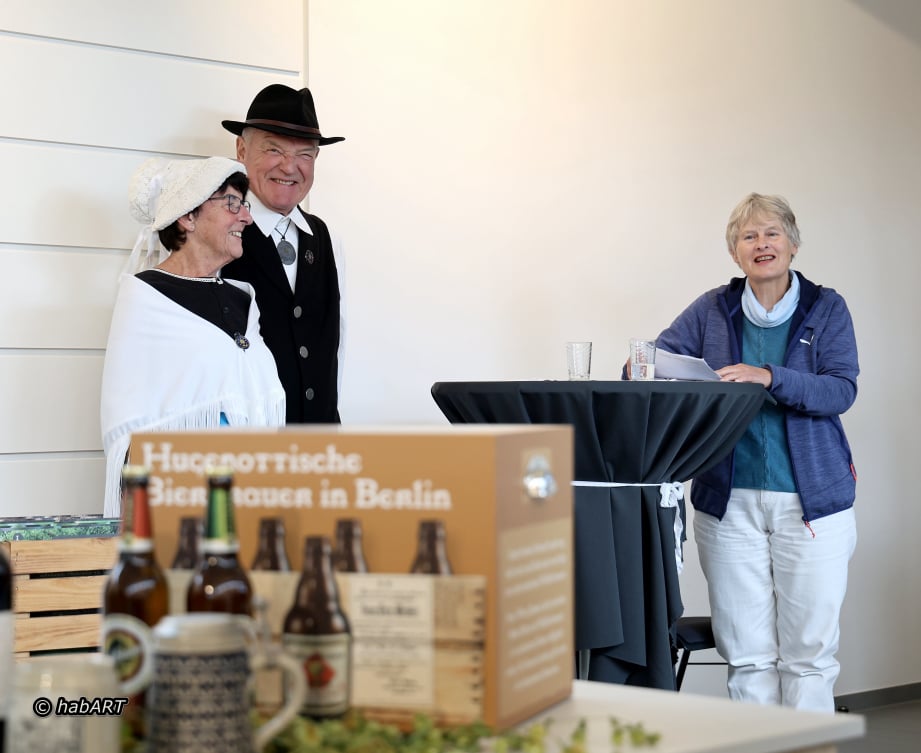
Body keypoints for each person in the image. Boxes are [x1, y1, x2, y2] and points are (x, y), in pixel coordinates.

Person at [640, 193, 859, 712]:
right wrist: (641, 366)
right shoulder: (712, 308)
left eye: (771, 233)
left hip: (813, 506)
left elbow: (840, 390)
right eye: (748, 237)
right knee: (747, 654)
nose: (761, 244)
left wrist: (768, 377)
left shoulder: (826, 308)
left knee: (808, 655)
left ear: (793, 244)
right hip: (728, 503)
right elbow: (655, 356)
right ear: (735, 254)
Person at [100, 157, 286, 516]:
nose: (246, 218)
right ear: (188, 216)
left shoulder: (244, 298)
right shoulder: (145, 297)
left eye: (244, 205)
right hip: (180, 509)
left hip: (252, 504)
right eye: (232, 204)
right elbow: (128, 425)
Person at [221, 84, 345, 424]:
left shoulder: (324, 238)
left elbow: (336, 348)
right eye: (274, 150)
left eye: (304, 154)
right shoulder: (216, 232)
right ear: (241, 150)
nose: (290, 167)